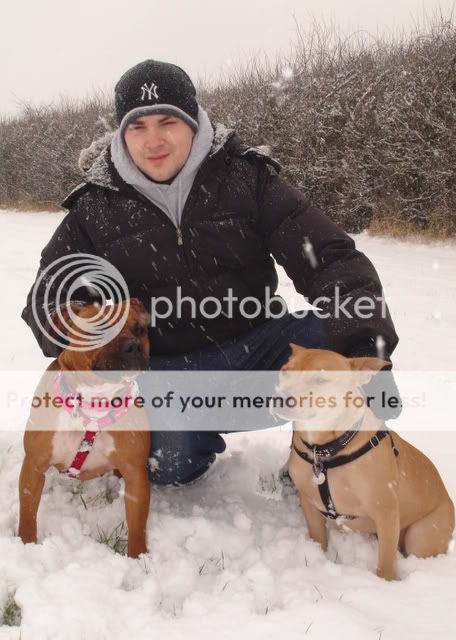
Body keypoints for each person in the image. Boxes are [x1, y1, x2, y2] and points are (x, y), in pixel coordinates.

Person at [22, 59, 399, 485]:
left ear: (194, 123)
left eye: (168, 122)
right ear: (121, 134)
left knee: (334, 333)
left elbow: (332, 260)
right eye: (137, 127)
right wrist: (94, 341)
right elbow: (47, 300)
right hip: (164, 372)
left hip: (258, 350)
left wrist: (367, 350)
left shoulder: (246, 179)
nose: (154, 140)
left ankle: (327, 462)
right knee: (169, 466)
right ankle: (182, 443)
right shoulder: (95, 208)